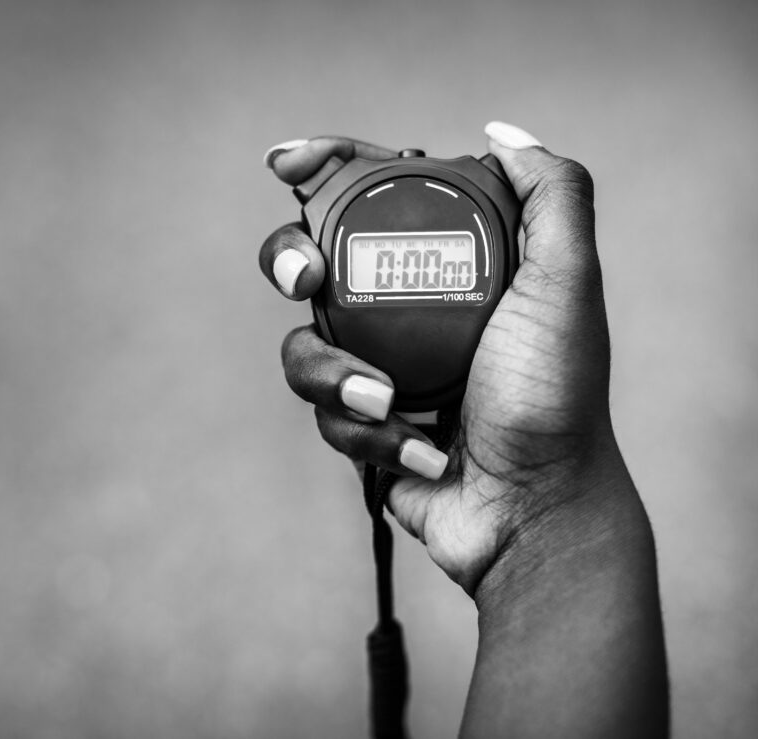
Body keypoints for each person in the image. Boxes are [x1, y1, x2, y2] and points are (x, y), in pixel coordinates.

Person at [258, 122, 669, 738]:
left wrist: (539, 512)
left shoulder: (350, 198)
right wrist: (543, 521)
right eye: (395, 265)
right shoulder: (467, 192)